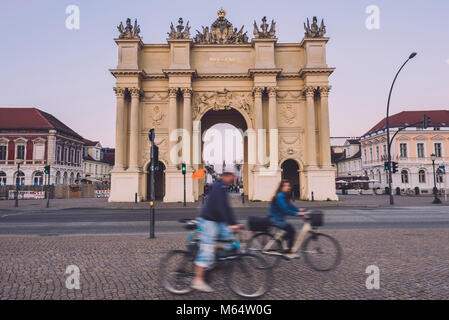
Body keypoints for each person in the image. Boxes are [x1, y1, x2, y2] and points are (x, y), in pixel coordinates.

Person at [192, 172, 243, 292]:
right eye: (232, 176)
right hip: (210, 220)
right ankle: (198, 280)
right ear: (226, 176)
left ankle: (212, 258)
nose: (234, 178)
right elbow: (220, 208)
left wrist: (234, 223)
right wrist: (231, 224)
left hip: (217, 221)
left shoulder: (223, 188)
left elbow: (227, 209)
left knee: (228, 240)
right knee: (207, 248)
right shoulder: (217, 187)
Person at [269, 180, 307, 259]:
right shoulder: (280, 196)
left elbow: (290, 205)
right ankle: (289, 253)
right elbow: (285, 209)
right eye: (286, 186)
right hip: (276, 219)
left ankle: (282, 240)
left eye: (288, 185)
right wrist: (298, 214)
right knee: (292, 231)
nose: (288, 187)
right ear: (281, 187)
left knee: (290, 230)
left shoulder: (283, 195)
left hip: (279, 218)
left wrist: (299, 209)